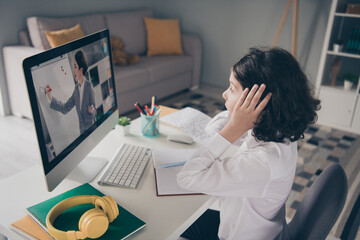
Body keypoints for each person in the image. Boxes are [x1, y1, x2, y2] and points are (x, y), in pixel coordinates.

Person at [177, 47, 321, 240]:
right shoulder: (280, 131)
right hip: (253, 227)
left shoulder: (263, 162)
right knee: (184, 219)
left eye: (231, 88)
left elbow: (187, 177)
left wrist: (235, 127)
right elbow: (212, 130)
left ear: (258, 103)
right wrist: (238, 120)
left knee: (169, 223)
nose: (223, 94)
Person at [45, 50, 96, 134]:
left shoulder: (89, 86)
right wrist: (50, 97)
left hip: (91, 131)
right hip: (82, 132)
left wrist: (92, 110)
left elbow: (94, 112)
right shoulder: (76, 89)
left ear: (81, 69)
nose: (73, 70)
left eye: (75, 66)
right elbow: (65, 108)